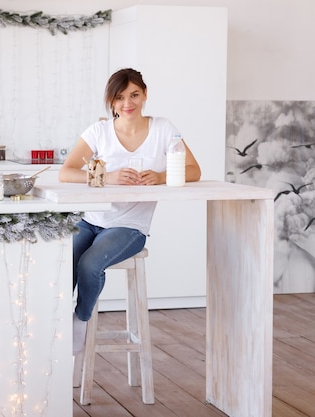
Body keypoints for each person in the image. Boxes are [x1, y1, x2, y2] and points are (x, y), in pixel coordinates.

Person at [58, 68, 201, 355]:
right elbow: (66, 172)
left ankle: (80, 319)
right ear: (111, 101)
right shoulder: (98, 131)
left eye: (134, 95)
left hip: (129, 226)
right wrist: (105, 176)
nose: (128, 103)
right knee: (60, 264)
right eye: (120, 97)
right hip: (90, 220)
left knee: (89, 264)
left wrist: (160, 175)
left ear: (145, 95)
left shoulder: (163, 129)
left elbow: (194, 171)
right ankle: (53, 326)